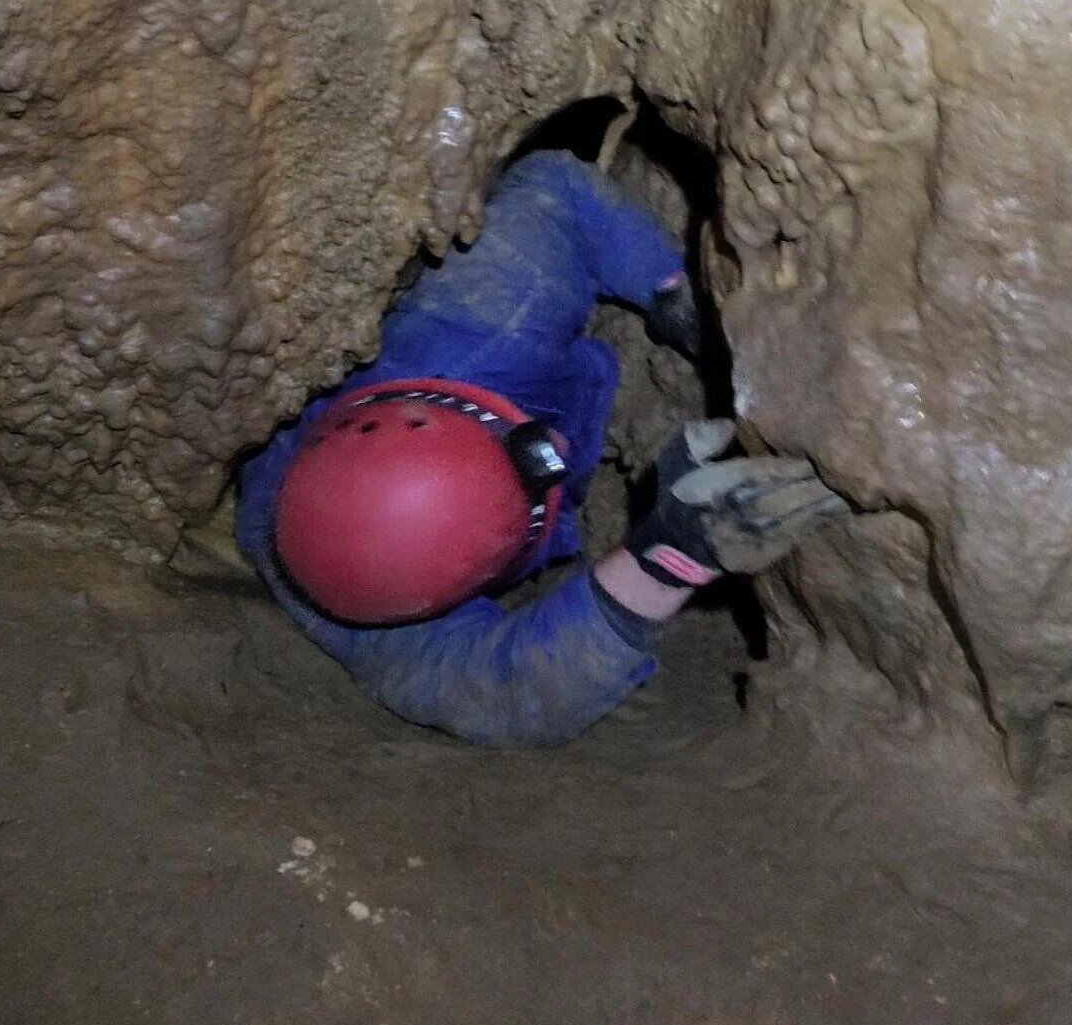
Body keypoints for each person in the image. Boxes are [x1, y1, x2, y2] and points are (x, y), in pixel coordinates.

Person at [236, 150, 845, 746]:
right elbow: (508, 690)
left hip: (479, 359)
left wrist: (678, 300)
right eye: (544, 465)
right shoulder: (373, 602)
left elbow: (557, 195)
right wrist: (669, 556)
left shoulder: (485, 319)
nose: (556, 444)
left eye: (533, 446)